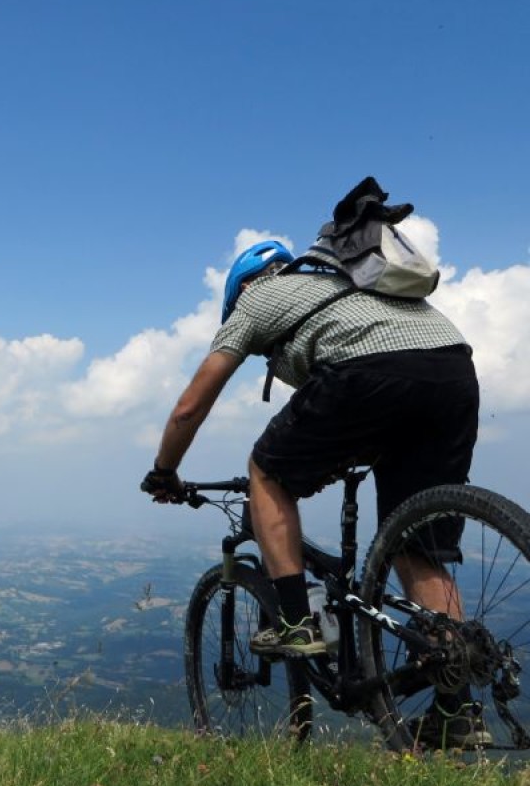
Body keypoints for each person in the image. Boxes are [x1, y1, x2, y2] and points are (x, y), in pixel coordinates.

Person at [140, 229, 485, 748]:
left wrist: (164, 471)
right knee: (418, 545)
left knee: (266, 472)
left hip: (368, 374)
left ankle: (298, 624)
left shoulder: (258, 300)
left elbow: (191, 405)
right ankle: (457, 708)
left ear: (239, 289)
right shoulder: (351, 287)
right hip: (455, 370)